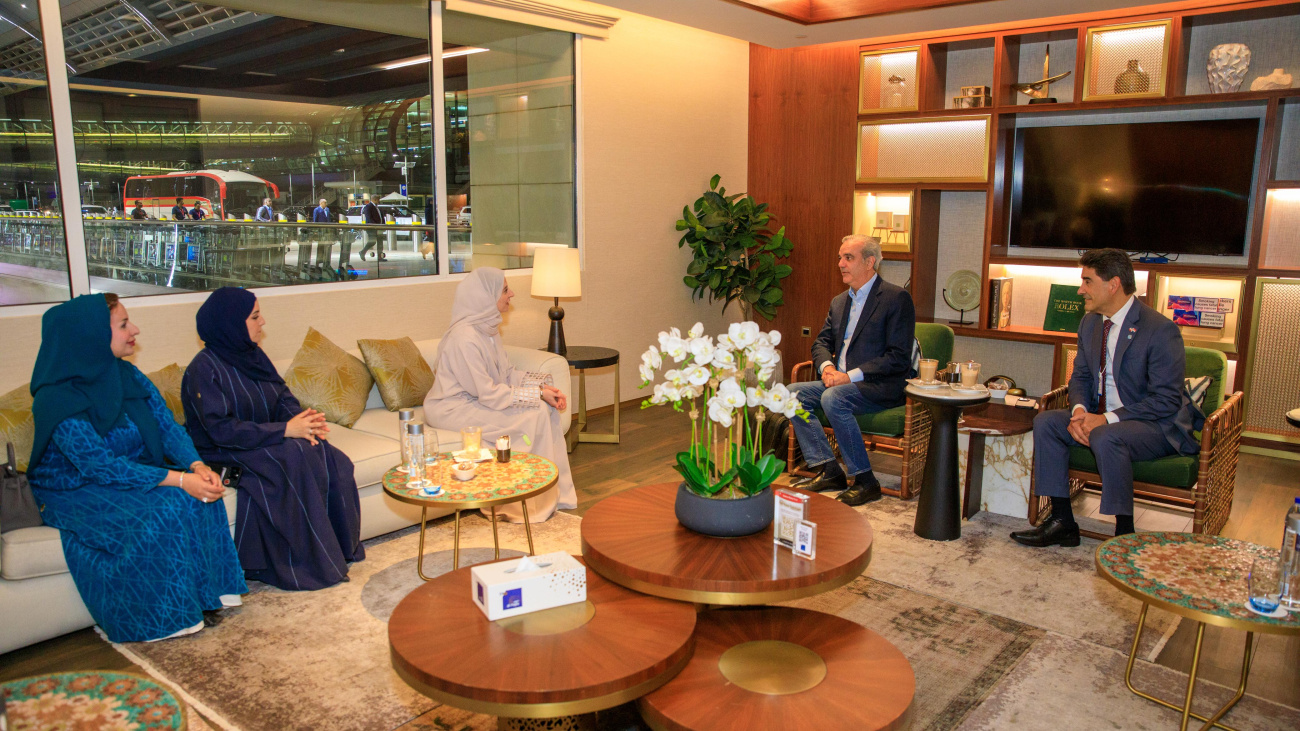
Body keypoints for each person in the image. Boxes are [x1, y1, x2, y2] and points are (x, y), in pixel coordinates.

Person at [26, 294, 246, 643]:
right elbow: (98, 466)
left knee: (203, 495)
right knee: (165, 508)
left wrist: (196, 465)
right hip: (75, 489)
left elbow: (167, 427)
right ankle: (164, 616)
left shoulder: (127, 375)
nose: (135, 330)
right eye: (124, 324)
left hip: (133, 470)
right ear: (92, 335)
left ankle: (207, 596)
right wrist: (179, 480)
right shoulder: (55, 399)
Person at [1012, 249, 1202, 548]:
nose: (1080, 290)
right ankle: (1062, 522)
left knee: (1105, 434)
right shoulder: (1090, 323)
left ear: (1113, 284)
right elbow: (1080, 376)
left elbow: (1166, 400)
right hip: (1100, 417)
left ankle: (1124, 533)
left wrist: (1105, 419)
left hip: (1155, 425)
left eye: (1087, 281)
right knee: (1047, 422)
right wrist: (1078, 411)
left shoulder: (1160, 330)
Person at [182, 287, 364, 589]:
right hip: (222, 453)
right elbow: (221, 430)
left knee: (331, 456)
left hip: (261, 440)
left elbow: (281, 397)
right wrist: (284, 431)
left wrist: (303, 423)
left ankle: (341, 549)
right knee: (294, 456)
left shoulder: (252, 355)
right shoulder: (203, 369)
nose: (262, 322)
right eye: (255, 317)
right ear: (231, 323)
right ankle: (306, 564)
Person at [423, 268, 577, 522]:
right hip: (452, 407)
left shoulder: (488, 330)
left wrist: (542, 389)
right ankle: (517, 502)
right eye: (505, 290)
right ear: (485, 297)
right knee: (532, 415)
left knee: (543, 409)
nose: (511, 294)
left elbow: (506, 375)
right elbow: (489, 393)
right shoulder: (464, 339)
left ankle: (549, 495)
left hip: (478, 399)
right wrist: (535, 394)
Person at [789, 235, 916, 506]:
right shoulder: (839, 301)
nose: (840, 264)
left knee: (833, 397)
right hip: (839, 381)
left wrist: (849, 376)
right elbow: (821, 342)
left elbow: (898, 357)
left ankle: (865, 480)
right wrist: (827, 368)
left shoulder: (896, 298)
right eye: (840, 257)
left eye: (848, 258)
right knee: (790, 394)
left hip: (880, 385)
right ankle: (829, 469)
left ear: (870, 262)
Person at [357, 195, 385, 261]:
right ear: (375, 199)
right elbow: (369, 218)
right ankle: (362, 252)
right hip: (372, 228)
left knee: (380, 242)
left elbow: (381, 217)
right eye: (378, 199)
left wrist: (383, 225)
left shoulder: (377, 207)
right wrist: (375, 226)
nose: (379, 201)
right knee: (372, 241)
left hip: (379, 228)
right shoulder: (368, 207)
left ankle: (380, 257)